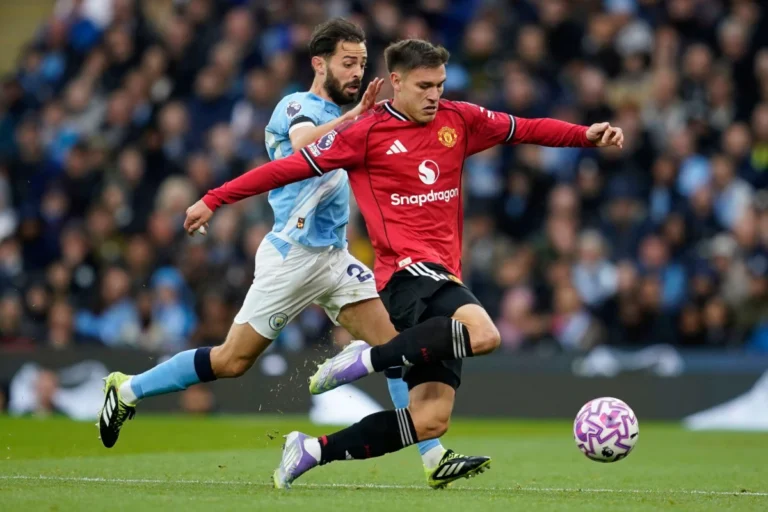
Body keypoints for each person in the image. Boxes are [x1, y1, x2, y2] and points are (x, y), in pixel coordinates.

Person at [183, 39, 624, 489]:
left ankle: (311, 450)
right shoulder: (365, 133)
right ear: (396, 81)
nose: (434, 95)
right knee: (485, 334)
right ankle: (367, 358)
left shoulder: (459, 119)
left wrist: (583, 135)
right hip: (404, 274)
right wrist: (215, 198)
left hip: (443, 275)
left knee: (430, 419)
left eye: (440, 85)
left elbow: (523, 128)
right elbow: (287, 169)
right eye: (424, 86)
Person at [99, 22, 489, 489]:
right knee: (232, 361)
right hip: (292, 256)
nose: (357, 72)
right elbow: (306, 146)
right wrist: (355, 117)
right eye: (348, 62)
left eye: (362, 63)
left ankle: (432, 455)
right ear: (319, 63)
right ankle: (127, 388)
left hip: (334, 258)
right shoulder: (297, 106)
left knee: (399, 347)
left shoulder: (351, 119)